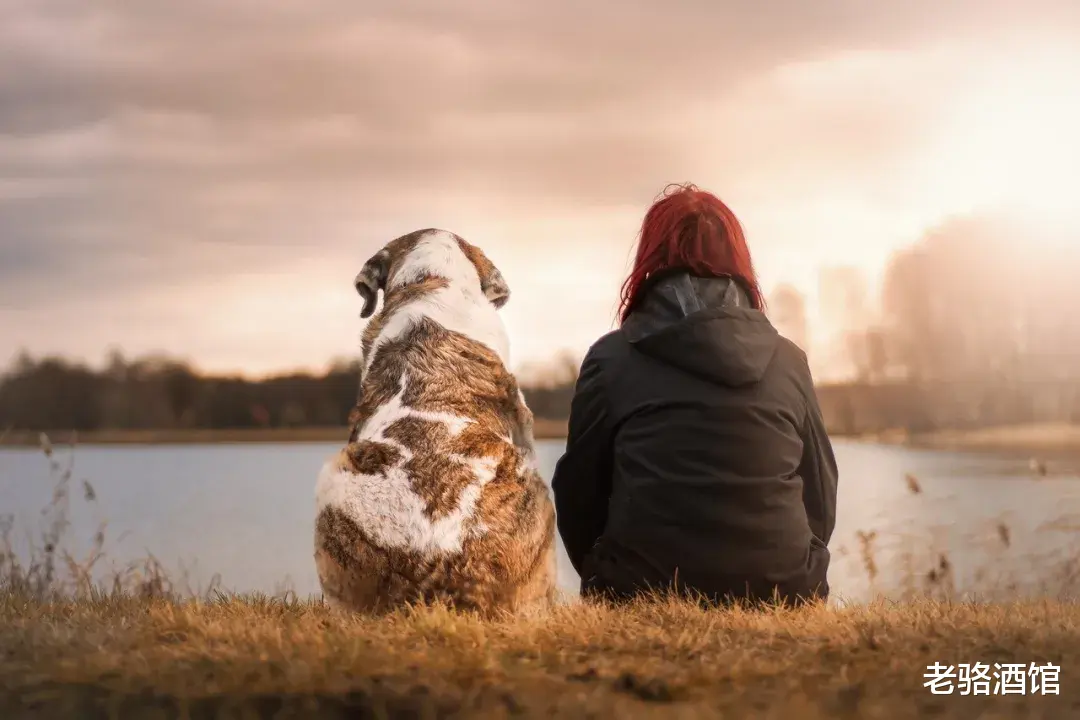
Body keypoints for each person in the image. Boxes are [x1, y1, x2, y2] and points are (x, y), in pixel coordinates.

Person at [550, 183, 838, 607]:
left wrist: (603, 572)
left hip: (640, 591)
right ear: (738, 260)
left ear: (650, 259)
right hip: (784, 589)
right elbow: (820, 491)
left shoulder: (611, 359)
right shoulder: (788, 360)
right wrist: (796, 567)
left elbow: (578, 494)